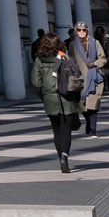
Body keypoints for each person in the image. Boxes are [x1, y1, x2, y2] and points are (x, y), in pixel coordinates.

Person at [30, 34, 86, 173]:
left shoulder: (38, 60)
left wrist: (43, 95)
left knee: (56, 130)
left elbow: (36, 83)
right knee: (66, 130)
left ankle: (59, 156)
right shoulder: (64, 57)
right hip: (66, 96)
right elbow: (75, 76)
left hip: (49, 98)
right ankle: (64, 156)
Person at [69, 23, 108, 136]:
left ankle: (93, 129)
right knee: (83, 105)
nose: (81, 32)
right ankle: (88, 122)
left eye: (84, 30)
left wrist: (95, 63)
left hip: (94, 78)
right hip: (80, 79)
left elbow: (103, 59)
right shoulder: (72, 45)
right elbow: (71, 61)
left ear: (87, 31)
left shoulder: (95, 42)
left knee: (93, 104)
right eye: (79, 30)